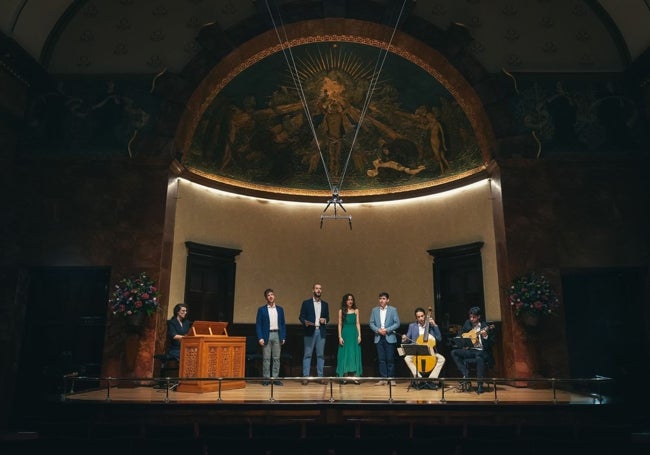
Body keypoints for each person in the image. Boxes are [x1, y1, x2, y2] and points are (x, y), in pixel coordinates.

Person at [450, 306, 494, 394]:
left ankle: (480, 385)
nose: (471, 319)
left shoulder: (485, 326)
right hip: (471, 350)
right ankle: (466, 373)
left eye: (473, 317)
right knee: (454, 352)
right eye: (470, 317)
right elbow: (461, 334)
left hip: (482, 351)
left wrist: (485, 336)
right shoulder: (467, 323)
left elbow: (491, 343)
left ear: (478, 317)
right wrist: (464, 341)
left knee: (479, 357)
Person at [401, 307, 446, 389]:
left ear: (425, 316)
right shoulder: (412, 326)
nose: (421, 318)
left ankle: (431, 379)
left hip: (430, 352)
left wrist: (435, 325)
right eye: (418, 317)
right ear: (416, 318)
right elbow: (407, 340)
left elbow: (439, 338)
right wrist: (404, 339)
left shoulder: (431, 326)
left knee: (442, 359)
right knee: (407, 358)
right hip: (417, 352)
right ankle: (419, 378)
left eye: (422, 316)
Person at [298, 283, 330, 384]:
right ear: (313, 290)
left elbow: (327, 317)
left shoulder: (325, 304)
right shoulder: (306, 303)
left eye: (320, 289)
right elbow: (301, 317)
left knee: (320, 355)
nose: (318, 290)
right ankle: (305, 377)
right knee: (307, 355)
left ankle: (320, 377)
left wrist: (324, 320)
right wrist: (305, 322)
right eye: (316, 288)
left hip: (321, 331)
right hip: (309, 331)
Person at [255, 288, 287, 386]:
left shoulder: (280, 309)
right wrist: (260, 337)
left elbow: (282, 324)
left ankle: (275, 378)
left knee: (277, 358)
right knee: (266, 358)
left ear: (274, 296)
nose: (271, 296)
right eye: (268, 295)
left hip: (277, 335)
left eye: (272, 294)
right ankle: (266, 379)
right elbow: (258, 324)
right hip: (266, 335)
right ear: (266, 298)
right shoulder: (262, 309)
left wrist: (283, 337)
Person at [368, 291, 401, 386]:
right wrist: (378, 330)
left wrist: (387, 330)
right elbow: (371, 323)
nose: (381, 300)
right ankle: (383, 379)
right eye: (380, 299)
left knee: (390, 359)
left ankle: (391, 379)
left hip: (389, 336)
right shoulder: (374, 310)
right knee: (381, 359)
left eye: (383, 299)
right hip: (379, 337)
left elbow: (397, 323)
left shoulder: (393, 310)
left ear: (387, 300)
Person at [336, 293, 362, 383]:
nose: (350, 301)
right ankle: (345, 375)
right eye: (348, 299)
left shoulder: (356, 310)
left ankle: (355, 376)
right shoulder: (341, 311)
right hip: (345, 333)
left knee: (354, 353)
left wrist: (359, 335)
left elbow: (357, 323)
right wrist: (340, 336)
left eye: (351, 299)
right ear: (345, 301)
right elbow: (339, 324)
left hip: (354, 333)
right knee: (345, 354)